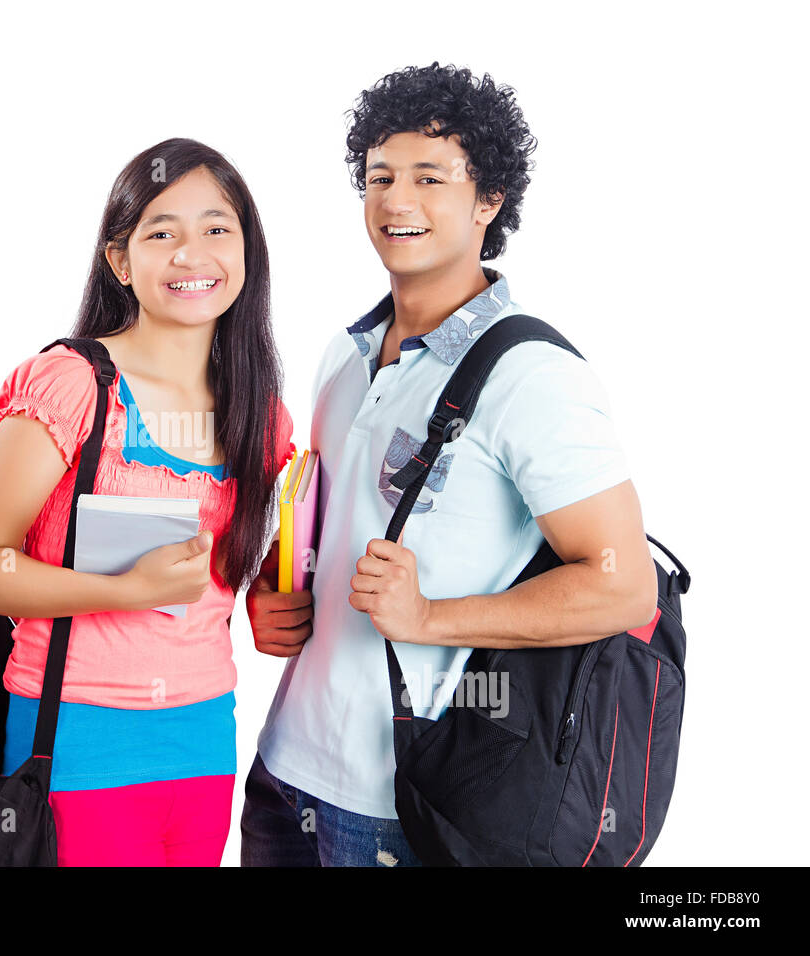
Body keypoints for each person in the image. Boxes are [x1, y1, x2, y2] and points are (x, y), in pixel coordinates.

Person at [241, 63, 659, 867]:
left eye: (430, 177)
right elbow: (324, 525)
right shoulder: (345, 352)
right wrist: (276, 588)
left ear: (489, 201)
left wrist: (431, 618)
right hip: (283, 773)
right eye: (380, 176)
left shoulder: (535, 376)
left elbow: (621, 583)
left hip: (408, 800)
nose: (397, 200)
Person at [0, 138, 294, 866]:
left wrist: (268, 593)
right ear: (121, 263)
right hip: (78, 740)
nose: (192, 254)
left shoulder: (259, 416)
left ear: (247, 254)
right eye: (161, 232)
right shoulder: (73, 385)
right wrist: (126, 589)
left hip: (204, 740)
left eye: (216, 229)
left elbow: (241, 572)